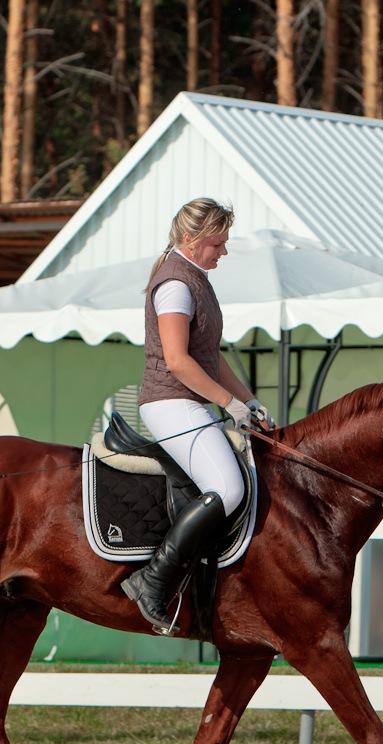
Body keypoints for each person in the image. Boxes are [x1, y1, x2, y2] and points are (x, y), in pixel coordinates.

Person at [120, 197, 275, 634]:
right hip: (170, 402)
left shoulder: (196, 278)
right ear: (192, 239)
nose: (223, 252)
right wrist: (229, 405)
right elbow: (178, 361)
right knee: (227, 488)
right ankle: (152, 581)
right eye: (218, 243)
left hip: (190, 401)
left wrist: (250, 401)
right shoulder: (175, 284)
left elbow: (208, 357)